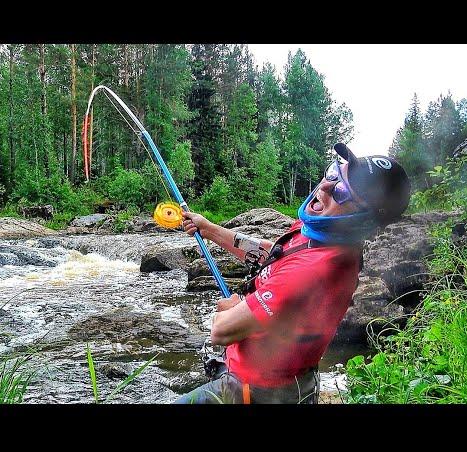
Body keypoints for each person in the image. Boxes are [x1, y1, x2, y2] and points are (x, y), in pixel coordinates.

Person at [175, 143, 411, 404]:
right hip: (290, 380)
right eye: (333, 174)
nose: (324, 188)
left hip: (257, 392)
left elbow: (222, 331)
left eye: (341, 191)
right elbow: (276, 253)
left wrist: (235, 306)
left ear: (363, 219)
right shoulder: (324, 233)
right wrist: (209, 229)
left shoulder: (313, 271)